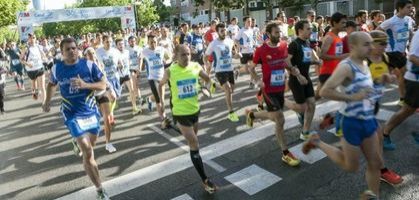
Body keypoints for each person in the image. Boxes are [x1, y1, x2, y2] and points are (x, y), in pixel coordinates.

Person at [303, 32, 383, 199]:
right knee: (350, 166)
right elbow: (325, 91)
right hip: (352, 123)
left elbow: (363, 88)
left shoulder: (364, 62)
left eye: (372, 43)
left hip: (369, 120)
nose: (372, 47)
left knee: (376, 163)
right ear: (353, 47)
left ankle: (373, 195)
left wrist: (380, 81)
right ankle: (317, 142)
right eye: (367, 44)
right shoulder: (346, 66)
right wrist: (352, 97)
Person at [42, 37, 110, 200]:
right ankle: (100, 189)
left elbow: (103, 84)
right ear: (62, 52)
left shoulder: (88, 65)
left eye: (74, 48)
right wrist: (47, 101)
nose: (72, 51)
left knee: (91, 144)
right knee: (87, 150)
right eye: (68, 49)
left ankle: (77, 141)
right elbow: (51, 84)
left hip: (91, 111)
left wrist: (86, 85)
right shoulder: (57, 69)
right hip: (71, 113)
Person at [158, 44, 217, 193]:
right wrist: (162, 104)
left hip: (195, 110)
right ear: (176, 56)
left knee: (192, 139)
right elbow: (161, 85)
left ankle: (170, 125)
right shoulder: (170, 71)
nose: (187, 57)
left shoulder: (196, 66)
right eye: (183, 55)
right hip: (180, 112)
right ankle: (205, 180)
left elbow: (207, 78)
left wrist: (205, 88)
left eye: (189, 54)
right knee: (194, 142)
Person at [246, 22, 302, 167]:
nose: (279, 35)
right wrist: (258, 80)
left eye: (280, 32)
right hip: (268, 90)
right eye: (276, 33)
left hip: (280, 88)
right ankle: (285, 153)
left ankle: (252, 115)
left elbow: (284, 62)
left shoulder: (283, 45)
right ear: (269, 34)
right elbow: (251, 68)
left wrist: (293, 71)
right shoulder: (261, 50)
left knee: (273, 116)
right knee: (280, 119)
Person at [382, 29, 419, 150]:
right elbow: (413, 57)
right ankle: (385, 132)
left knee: (408, 109)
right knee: (407, 110)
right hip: (415, 80)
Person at [285, 20, 320, 140]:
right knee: (303, 108)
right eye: (308, 29)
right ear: (300, 30)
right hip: (296, 80)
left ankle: (305, 132)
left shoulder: (307, 42)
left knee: (312, 104)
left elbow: (304, 60)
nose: (311, 31)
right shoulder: (294, 44)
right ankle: (282, 100)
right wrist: (298, 76)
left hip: (307, 78)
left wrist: (316, 61)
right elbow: (286, 61)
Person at [377, 0, 414, 106]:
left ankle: (403, 99)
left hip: (402, 52)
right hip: (393, 52)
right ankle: (410, 99)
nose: (410, 9)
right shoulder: (391, 21)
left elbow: (409, 33)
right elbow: (376, 31)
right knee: (408, 73)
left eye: (411, 7)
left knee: (400, 76)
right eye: (408, 7)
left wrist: (413, 40)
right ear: (400, 8)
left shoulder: (408, 19)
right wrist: (383, 44)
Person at [205, 23, 240, 122]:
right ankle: (231, 112)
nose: (224, 32)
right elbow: (205, 56)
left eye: (225, 30)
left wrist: (237, 55)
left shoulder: (229, 41)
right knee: (228, 90)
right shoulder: (213, 43)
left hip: (229, 69)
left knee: (231, 90)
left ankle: (214, 85)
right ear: (217, 32)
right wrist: (206, 63)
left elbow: (233, 53)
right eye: (221, 31)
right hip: (219, 70)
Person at [140, 33, 171, 128]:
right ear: (148, 42)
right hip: (152, 78)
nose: (153, 44)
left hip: (162, 77)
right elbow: (141, 60)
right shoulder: (145, 51)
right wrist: (140, 68)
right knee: (159, 100)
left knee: (161, 98)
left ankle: (148, 99)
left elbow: (169, 57)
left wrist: (167, 61)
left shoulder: (161, 49)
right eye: (151, 42)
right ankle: (163, 119)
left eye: (154, 42)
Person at [316, 12, 349, 100]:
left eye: (345, 23)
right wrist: (340, 57)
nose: (345, 25)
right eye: (342, 23)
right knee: (318, 96)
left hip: (337, 71)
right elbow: (321, 55)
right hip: (327, 72)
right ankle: (304, 110)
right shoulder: (329, 37)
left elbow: (336, 53)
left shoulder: (338, 36)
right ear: (334, 23)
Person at [96, 35, 122, 126]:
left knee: (114, 98)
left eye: (110, 41)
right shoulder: (98, 52)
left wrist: (120, 64)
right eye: (107, 41)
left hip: (115, 77)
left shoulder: (115, 51)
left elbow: (119, 61)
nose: (109, 43)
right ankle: (110, 115)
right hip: (105, 79)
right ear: (103, 42)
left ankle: (109, 114)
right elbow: (95, 64)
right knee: (112, 96)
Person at [115, 38, 141, 116]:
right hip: (118, 76)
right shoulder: (115, 53)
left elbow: (129, 61)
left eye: (122, 44)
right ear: (116, 46)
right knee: (115, 94)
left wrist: (134, 68)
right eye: (119, 44)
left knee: (132, 90)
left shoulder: (127, 51)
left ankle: (134, 107)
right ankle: (113, 104)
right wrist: (118, 65)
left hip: (126, 74)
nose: (121, 45)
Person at [20, 33, 48, 101]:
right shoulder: (26, 48)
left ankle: (44, 103)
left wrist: (45, 58)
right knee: (34, 86)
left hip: (39, 68)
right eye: (31, 38)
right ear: (28, 39)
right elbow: (21, 60)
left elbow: (43, 55)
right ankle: (34, 92)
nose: (32, 39)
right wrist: (27, 64)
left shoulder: (39, 47)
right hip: (31, 70)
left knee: (42, 87)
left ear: (36, 38)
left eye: (34, 37)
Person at [235, 16, 256, 88]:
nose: (250, 23)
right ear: (244, 22)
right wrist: (241, 46)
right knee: (246, 69)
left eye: (250, 21)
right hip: (244, 52)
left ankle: (252, 82)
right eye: (248, 21)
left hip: (251, 51)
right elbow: (235, 40)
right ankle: (238, 71)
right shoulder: (241, 30)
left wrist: (254, 46)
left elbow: (252, 39)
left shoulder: (251, 30)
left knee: (252, 68)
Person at [127, 36, 144, 106]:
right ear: (128, 42)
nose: (133, 42)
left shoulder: (139, 48)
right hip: (130, 69)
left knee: (136, 85)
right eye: (131, 41)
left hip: (137, 68)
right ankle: (139, 98)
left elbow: (141, 59)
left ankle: (136, 96)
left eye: (134, 41)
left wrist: (139, 68)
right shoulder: (126, 49)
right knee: (134, 84)